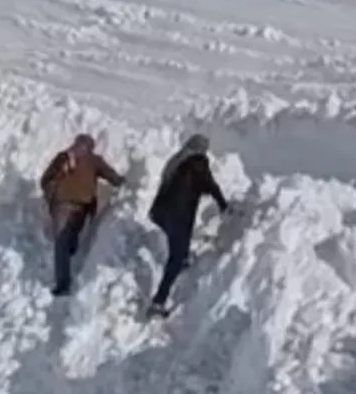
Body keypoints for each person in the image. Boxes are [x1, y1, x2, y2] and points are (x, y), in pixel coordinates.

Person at [146, 133, 230, 317]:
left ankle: (183, 259)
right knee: (175, 258)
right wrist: (223, 205)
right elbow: (209, 183)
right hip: (178, 216)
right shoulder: (197, 161)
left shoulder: (178, 160)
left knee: (179, 248)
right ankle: (158, 302)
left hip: (162, 213)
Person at [39, 133, 126, 295]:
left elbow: (44, 180)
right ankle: (65, 277)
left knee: (63, 243)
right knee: (66, 242)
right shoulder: (90, 160)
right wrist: (124, 182)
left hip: (65, 206)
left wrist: (51, 192)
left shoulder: (65, 157)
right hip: (80, 207)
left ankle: (63, 281)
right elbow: (111, 176)